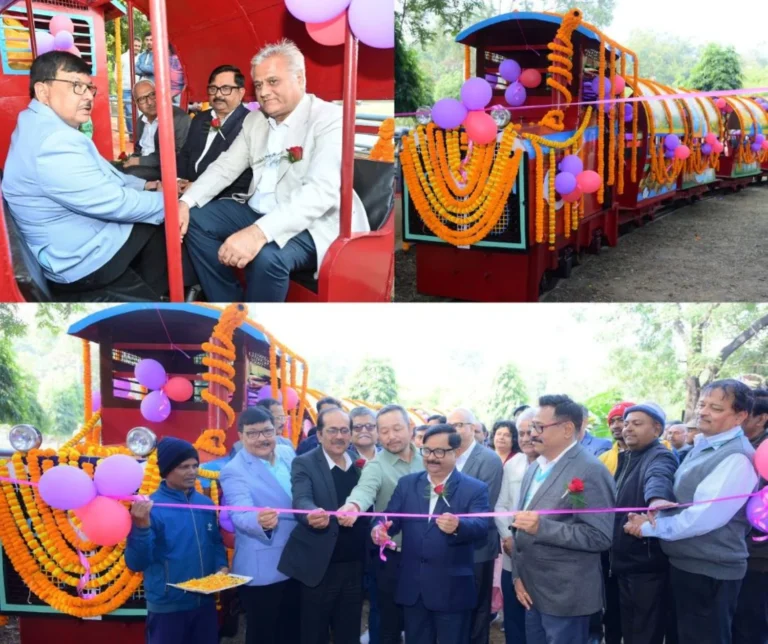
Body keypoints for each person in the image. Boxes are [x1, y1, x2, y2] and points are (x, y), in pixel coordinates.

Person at [179, 39, 370, 302]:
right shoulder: (256, 120)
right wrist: (185, 202)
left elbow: (320, 193)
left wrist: (258, 233)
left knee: (268, 256)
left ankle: (259, 332)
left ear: (300, 79)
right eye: (258, 85)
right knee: (196, 219)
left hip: (315, 224)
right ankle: (229, 306)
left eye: (273, 82)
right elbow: (225, 166)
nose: (264, 92)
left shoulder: (329, 119)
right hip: (259, 210)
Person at [2, 51, 177, 301]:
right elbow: (114, 203)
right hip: (83, 261)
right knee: (173, 221)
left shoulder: (37, 123)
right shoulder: (54, 142)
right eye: (76, 86)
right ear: (43, 92)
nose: (87, 96)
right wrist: (172, 203)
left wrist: (146, 185)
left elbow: (102, 172)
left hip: (71, 240)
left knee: (154, 217)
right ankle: (165, 298)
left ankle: (153, 290)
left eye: (89, 88)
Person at [624, 379, 758, 644]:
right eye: (702, 404)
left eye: (716, 408)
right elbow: (682, 502)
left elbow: (702, 517)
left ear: (740, 416)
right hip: (686, 566)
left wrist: (650, 527)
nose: (704, 412)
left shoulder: (736, 458)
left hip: (710, 573)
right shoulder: (706, 445)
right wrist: (654, 515)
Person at [511, 395, 616, 644]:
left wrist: (542, 527)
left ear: (567, 429)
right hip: (531, 588)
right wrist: (517, 576)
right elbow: (519, 527)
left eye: (539, 427)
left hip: (565, 596)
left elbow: (599, 536)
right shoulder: (536, 466)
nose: (531, 434)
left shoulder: (590, 470)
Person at [373, 424, 491, 644]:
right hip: (413, 588)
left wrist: (459, 526)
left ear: (455, 453)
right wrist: (379, 527)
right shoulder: (408, 484)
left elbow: (481, 525)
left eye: (439, 451)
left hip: (452, 591)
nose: (431, 457)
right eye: (426, 450)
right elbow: (389, 516)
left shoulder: (474, 489)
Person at [125, 437, 227, 644]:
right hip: (167, 607)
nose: (192, 472)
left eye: (195, 466)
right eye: (184, 467)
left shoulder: (205, 503)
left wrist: (222, 566)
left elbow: (215, 542)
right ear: (167, 470)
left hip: (204, 604)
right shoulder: (149, 508)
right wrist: (141, 527)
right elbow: (136, 563)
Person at [337, 404, 425, 644]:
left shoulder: (428, 460)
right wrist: (353, 506)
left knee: (421, 623)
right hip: (392, 558)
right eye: (384, 431)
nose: (390, 436)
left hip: (427, 557)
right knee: (388, 623)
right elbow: (364, 490)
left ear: (410, 428)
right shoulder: (376, 466)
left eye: (397, 428)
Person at [278, 407, 366, 644]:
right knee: (314, 632)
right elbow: (301, 497)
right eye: (332, 430)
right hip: (319, 565)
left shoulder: (362, 463)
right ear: (319, 434)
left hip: (355, 564)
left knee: (348, 631)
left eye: (345, 430)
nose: (339, 436)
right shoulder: (304, 463)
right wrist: (310, 513)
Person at [219, 407, 299, 644]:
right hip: (263, 567)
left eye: (267, 431)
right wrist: (259, 521)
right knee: (263, 634)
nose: (262, 438)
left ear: (276, 431)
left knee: (292, 630)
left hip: (296, 561)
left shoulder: (287, 453)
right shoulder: (233, 471)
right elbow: (240, 512)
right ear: (241, 437)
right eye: (252, 434)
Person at [610, 402, 678, 644]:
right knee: (627, 632)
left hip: (646, 566)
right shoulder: (627, 457)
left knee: (644, 634)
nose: (628, 428)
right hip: (623, 564)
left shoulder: (660, 455)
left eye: (637, 424)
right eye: (626, 423)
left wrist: (657, 500)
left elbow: (658, 477)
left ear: (657, 429)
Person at [446, 408, 503, 644]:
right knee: (452, 604)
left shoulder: (489, 459)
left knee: (478, 607)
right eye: (451, 425)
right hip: (447, 545)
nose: (455, 430)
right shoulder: (445, 456)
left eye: (460, 425)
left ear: (473, 428)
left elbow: (483, 505)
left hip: (478, 546)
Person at [177, 65, 253, 199]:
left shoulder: (249, 123)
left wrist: (197, 188)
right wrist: (178, 181)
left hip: (222, 196)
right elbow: (185, 153)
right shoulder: (200, 118)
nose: (218, 95)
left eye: (225, 89)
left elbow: (243, 176)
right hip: (186, 189)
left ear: (241, 92)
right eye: (213, 89)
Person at [495, 408, 536, 644]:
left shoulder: (552, 466)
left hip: (540, 559)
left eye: (530, 431)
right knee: (513, 619)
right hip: (511, 553)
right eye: (520, 432)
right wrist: (506, 536)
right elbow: (500, 506)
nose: (525, 437)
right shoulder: (513, 464)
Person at [733, 387, 768, 644]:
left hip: (759, 556)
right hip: (736, 548)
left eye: (746, 414)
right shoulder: (739, 446)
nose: (739, 418)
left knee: (752, 620)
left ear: (762, 418)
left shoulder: (762, 452)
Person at [122, 80, 190, 182]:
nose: (149, 102)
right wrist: (129, 160)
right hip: (142, 166)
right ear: (136, 104)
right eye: (142, 99)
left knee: (129, 175)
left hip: (165, 171)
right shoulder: (141, 121)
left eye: (152, 95)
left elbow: (176, 154)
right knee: (111, 169)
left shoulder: (179, 118)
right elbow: (139, 150)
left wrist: (139, 161)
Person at [599, 401, 636, 476]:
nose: (615, 426)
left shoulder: (652, 452)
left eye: (621, 420)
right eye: (612, 422)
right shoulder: (603, 459)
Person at [120, 37, 142, 140]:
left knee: (142, 111)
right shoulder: (122, 57)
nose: (137, 48)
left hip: (140, 88)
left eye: (138, 46)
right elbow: (117, 73)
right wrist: (120, 85)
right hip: (127, 88)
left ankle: (140, 133)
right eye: (135, 45)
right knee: (129, 111)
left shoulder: (142, 57)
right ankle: (132, 134)